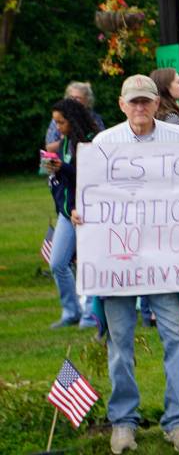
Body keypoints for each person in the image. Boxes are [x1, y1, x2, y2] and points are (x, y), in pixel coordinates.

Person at [73, 74, 179, 455]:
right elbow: (91, 195)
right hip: (117, 263)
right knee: (119, 343)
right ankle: (123, 422)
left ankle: (178, 420)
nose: (141, 108)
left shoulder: (178, 140)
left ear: (156, 103)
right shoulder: (104, 143)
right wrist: (83, 214)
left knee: (176, 336)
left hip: (165, 260)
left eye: (146, 101)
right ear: (121, 104)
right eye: (134, 102)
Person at [46, 97, 99, 328]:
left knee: (90, 264)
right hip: (68, 212)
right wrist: (55, 170)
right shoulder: (65, 143)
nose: (58, 128)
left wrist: (62, 168)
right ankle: (71, 311)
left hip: (90, 212)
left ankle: (91, 315)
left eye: (61, 122)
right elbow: (68, 178)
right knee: (57, 263)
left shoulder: (90, 142)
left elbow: (89, 176)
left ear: (73, 120)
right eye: (55, 123)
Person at [45, 81, 104, 151]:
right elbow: (49, 147)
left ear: (87, 100)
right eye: (71, 97)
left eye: (77, 98)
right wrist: (68, 140)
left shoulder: (94, 119)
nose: (73, 101)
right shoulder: (60, 117)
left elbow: (101, 144)